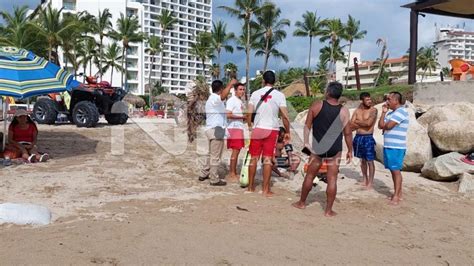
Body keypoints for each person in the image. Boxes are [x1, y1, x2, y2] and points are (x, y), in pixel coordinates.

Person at [292, 82, 352, 217]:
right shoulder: (344, 111)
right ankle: (328, 210)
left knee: (310, 176)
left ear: (328, 93)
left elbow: (307, 126)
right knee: (332, 179)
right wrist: (350, 150)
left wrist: (306, 142)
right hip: (335, 148)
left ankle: (302, 203)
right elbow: (348, 133)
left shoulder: (317, 105)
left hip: (317, 147)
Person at [247, 70, 290, 197]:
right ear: (274, 81)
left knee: (253, 158)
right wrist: (287, 131)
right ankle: (266, 189)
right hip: (271, 130)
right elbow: (285, 116)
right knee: (267, 159)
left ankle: (250, 187)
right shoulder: (279, 95)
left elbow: (249, 113)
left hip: (258, 129)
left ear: (263, 81)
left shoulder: (255, 94)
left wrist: (250, 126)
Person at [198, 78, 238, 186]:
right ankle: (214, 179)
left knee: (210, 154)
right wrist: (230, 84)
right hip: (217, 129)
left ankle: (204, 173)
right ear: (220, 89)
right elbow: (222, 96)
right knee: (215, 156)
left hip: (210, 129)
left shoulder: (210, 99)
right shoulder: (215, 98)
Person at [378, 91, 409, 205]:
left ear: (396, 100)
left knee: (396, 171)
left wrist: (385, 126)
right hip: (389, 145)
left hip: (396, 146)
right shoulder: (390, 114)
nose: (387, 101)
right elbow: (380, 125)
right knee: (393, 170)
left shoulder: (401, 112)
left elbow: (388, 126)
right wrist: (383, 113)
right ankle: (398, 193)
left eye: (389, 99)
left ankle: (396, 196)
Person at [351, 92, 378, 189]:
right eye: (367, 100)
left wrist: (357, 122)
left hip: (368, 137)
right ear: (361, 101)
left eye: (370, 99)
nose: (370, 101)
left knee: (370, 161)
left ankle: (370, 182)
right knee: (362, 160)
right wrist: (361, 123)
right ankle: (364, 179)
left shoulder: (373, 110)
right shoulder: (357, 111)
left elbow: (368, 123)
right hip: (358, 137)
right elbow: (351, 125)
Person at [226, 83, 246, 181]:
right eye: (240, 89)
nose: (242, 91)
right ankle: (232, 173)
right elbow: (228, 115)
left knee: (237, 151)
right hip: (234, 128)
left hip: (238, 127)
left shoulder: (240, 101)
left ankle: (233, 172)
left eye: (243, 89)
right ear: (235, 90)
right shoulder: (232, 100)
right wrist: (242, 117)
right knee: (235, 151)